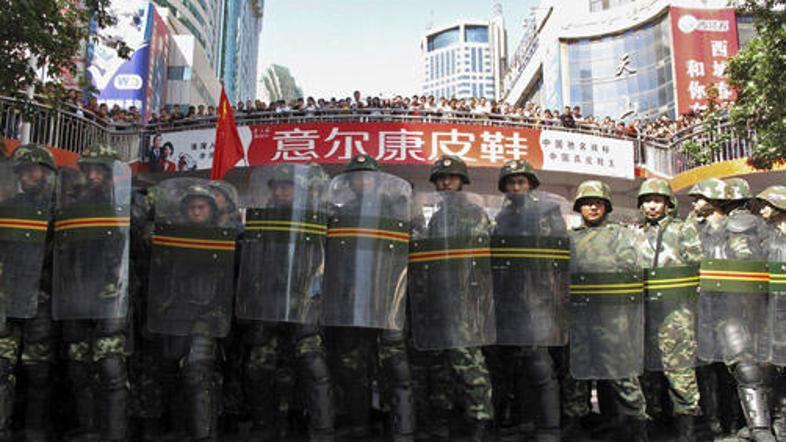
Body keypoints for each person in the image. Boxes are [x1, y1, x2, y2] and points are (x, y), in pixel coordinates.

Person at [234, 164, 335, 441]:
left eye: (287, 186)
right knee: (257, 368)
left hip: (306, 305)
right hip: (269, 305)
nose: (280, 191)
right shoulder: (261, 220)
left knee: (314, 366)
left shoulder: (319, 219)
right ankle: (264, 425)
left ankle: (322, 430)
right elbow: (250, 263)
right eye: (276, 186)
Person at [321, 155, 415, 441]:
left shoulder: (396, 207)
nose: (363, 181)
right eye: (357, 177)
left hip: (389, 296)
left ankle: (402, 428)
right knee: (353, 366)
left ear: (377, 180)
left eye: (368, 176)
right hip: (353, 299)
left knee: (396, 365)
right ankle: (360, 424)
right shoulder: (342, 211)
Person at [146, 179, 240, 441]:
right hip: (174, 315)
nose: (196, 212)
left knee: (197, 373)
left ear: (211, 209)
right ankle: (179, 429)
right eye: (191, 208)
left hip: (210, 316)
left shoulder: (226, 236)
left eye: (202, 207)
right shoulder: (171, 236)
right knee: (170, 374)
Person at [409, 155, 495, 441]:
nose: (446, 182)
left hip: (465, 299)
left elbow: (477, 257)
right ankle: (447, 419)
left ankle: (481, 420)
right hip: (440, 298)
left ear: (462, 181)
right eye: (441, 179)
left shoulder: (473, 213)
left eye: (451, 178)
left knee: (468, 361)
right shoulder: (438, 217)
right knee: (442, 365)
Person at [53, 144, 131, 441]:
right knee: (79, 368)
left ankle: (114, 434)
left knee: (111, 370)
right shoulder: (71, 206)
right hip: (76, 295)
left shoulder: (128, 204)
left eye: (100, 170)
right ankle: (89, 430)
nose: (93, 176)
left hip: (112, 296)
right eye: (88, 170)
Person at [692, 178, 774, 442]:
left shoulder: (740, 224)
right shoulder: (708, 228)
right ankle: (731, 424)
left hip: (736, 306)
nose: (695, 202)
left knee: (744, 364)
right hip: (713, 307)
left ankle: (760, 429)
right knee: (719, 369)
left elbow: (744, 264)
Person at [488, 159, 565, 441]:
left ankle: (548, 425)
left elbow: (559, 253)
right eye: (511, 182)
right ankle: (520, 420)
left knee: (539, 363)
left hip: (539, 296)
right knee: (511, 363)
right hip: (508, 297)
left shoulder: (547, 210)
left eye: (521, 182)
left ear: (530, 184)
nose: (516, 187)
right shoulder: (502, 217)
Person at [567, 180, 649, 441]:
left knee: (620, 370)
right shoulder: (571, 238)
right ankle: (577, 420)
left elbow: (631, 270)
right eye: (587, 203)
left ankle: (637, 423)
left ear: (606, 206)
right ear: (579, 207)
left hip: (612, 314)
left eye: (598, 203)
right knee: (577, 372)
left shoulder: (621, 235)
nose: (592, 207)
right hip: (580, 315)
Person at [635, 178, 702, 441]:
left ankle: (686, 428)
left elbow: (697, 263)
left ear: (668, 203)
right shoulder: (635, 234)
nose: (652, 206)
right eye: (647, 201)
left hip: (677, 311)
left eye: (657, 200)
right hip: (644, 310)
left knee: (680, 369)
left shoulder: (683, 229)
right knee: (648, 370)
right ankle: (652, 422)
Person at [0, 145, 58, 441]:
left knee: (38, 370)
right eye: (23, 170)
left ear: (48, 173)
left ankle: (35, 428)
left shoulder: (59, 210)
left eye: (33, 169)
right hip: (8, 298)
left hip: (43, 298)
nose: (27, 175)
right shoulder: (9, 206)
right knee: (2, 366)